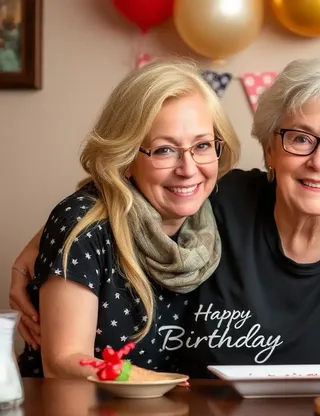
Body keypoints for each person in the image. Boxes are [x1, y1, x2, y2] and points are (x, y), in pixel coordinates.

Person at [10, 58, 320, 378]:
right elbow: (118, 201)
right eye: (301, 139)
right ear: (270, 149)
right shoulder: (222, 200)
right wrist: (51, 239)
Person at [15, 59, 241, 379]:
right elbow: (62, 361)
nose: (189, 169)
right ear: (126, 158)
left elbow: (300, 184)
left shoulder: (221, 209)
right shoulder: (84, 227)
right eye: (164, 150)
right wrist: (149, 380)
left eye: (202, 145)